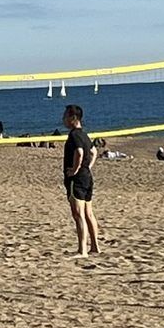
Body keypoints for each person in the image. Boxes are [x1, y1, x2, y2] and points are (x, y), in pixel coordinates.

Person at [62, 104, 99, 257]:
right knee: (89, 214)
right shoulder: (84, 134)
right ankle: (95, 247)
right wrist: (88, 166)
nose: (63, 119)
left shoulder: (75, 135)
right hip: (87, 177)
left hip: (77, 179)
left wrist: (75, 169)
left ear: (73, 118)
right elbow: (94, 151)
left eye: (65, 116)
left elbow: (80, 152)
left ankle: (82, 250)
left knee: (79, 215)